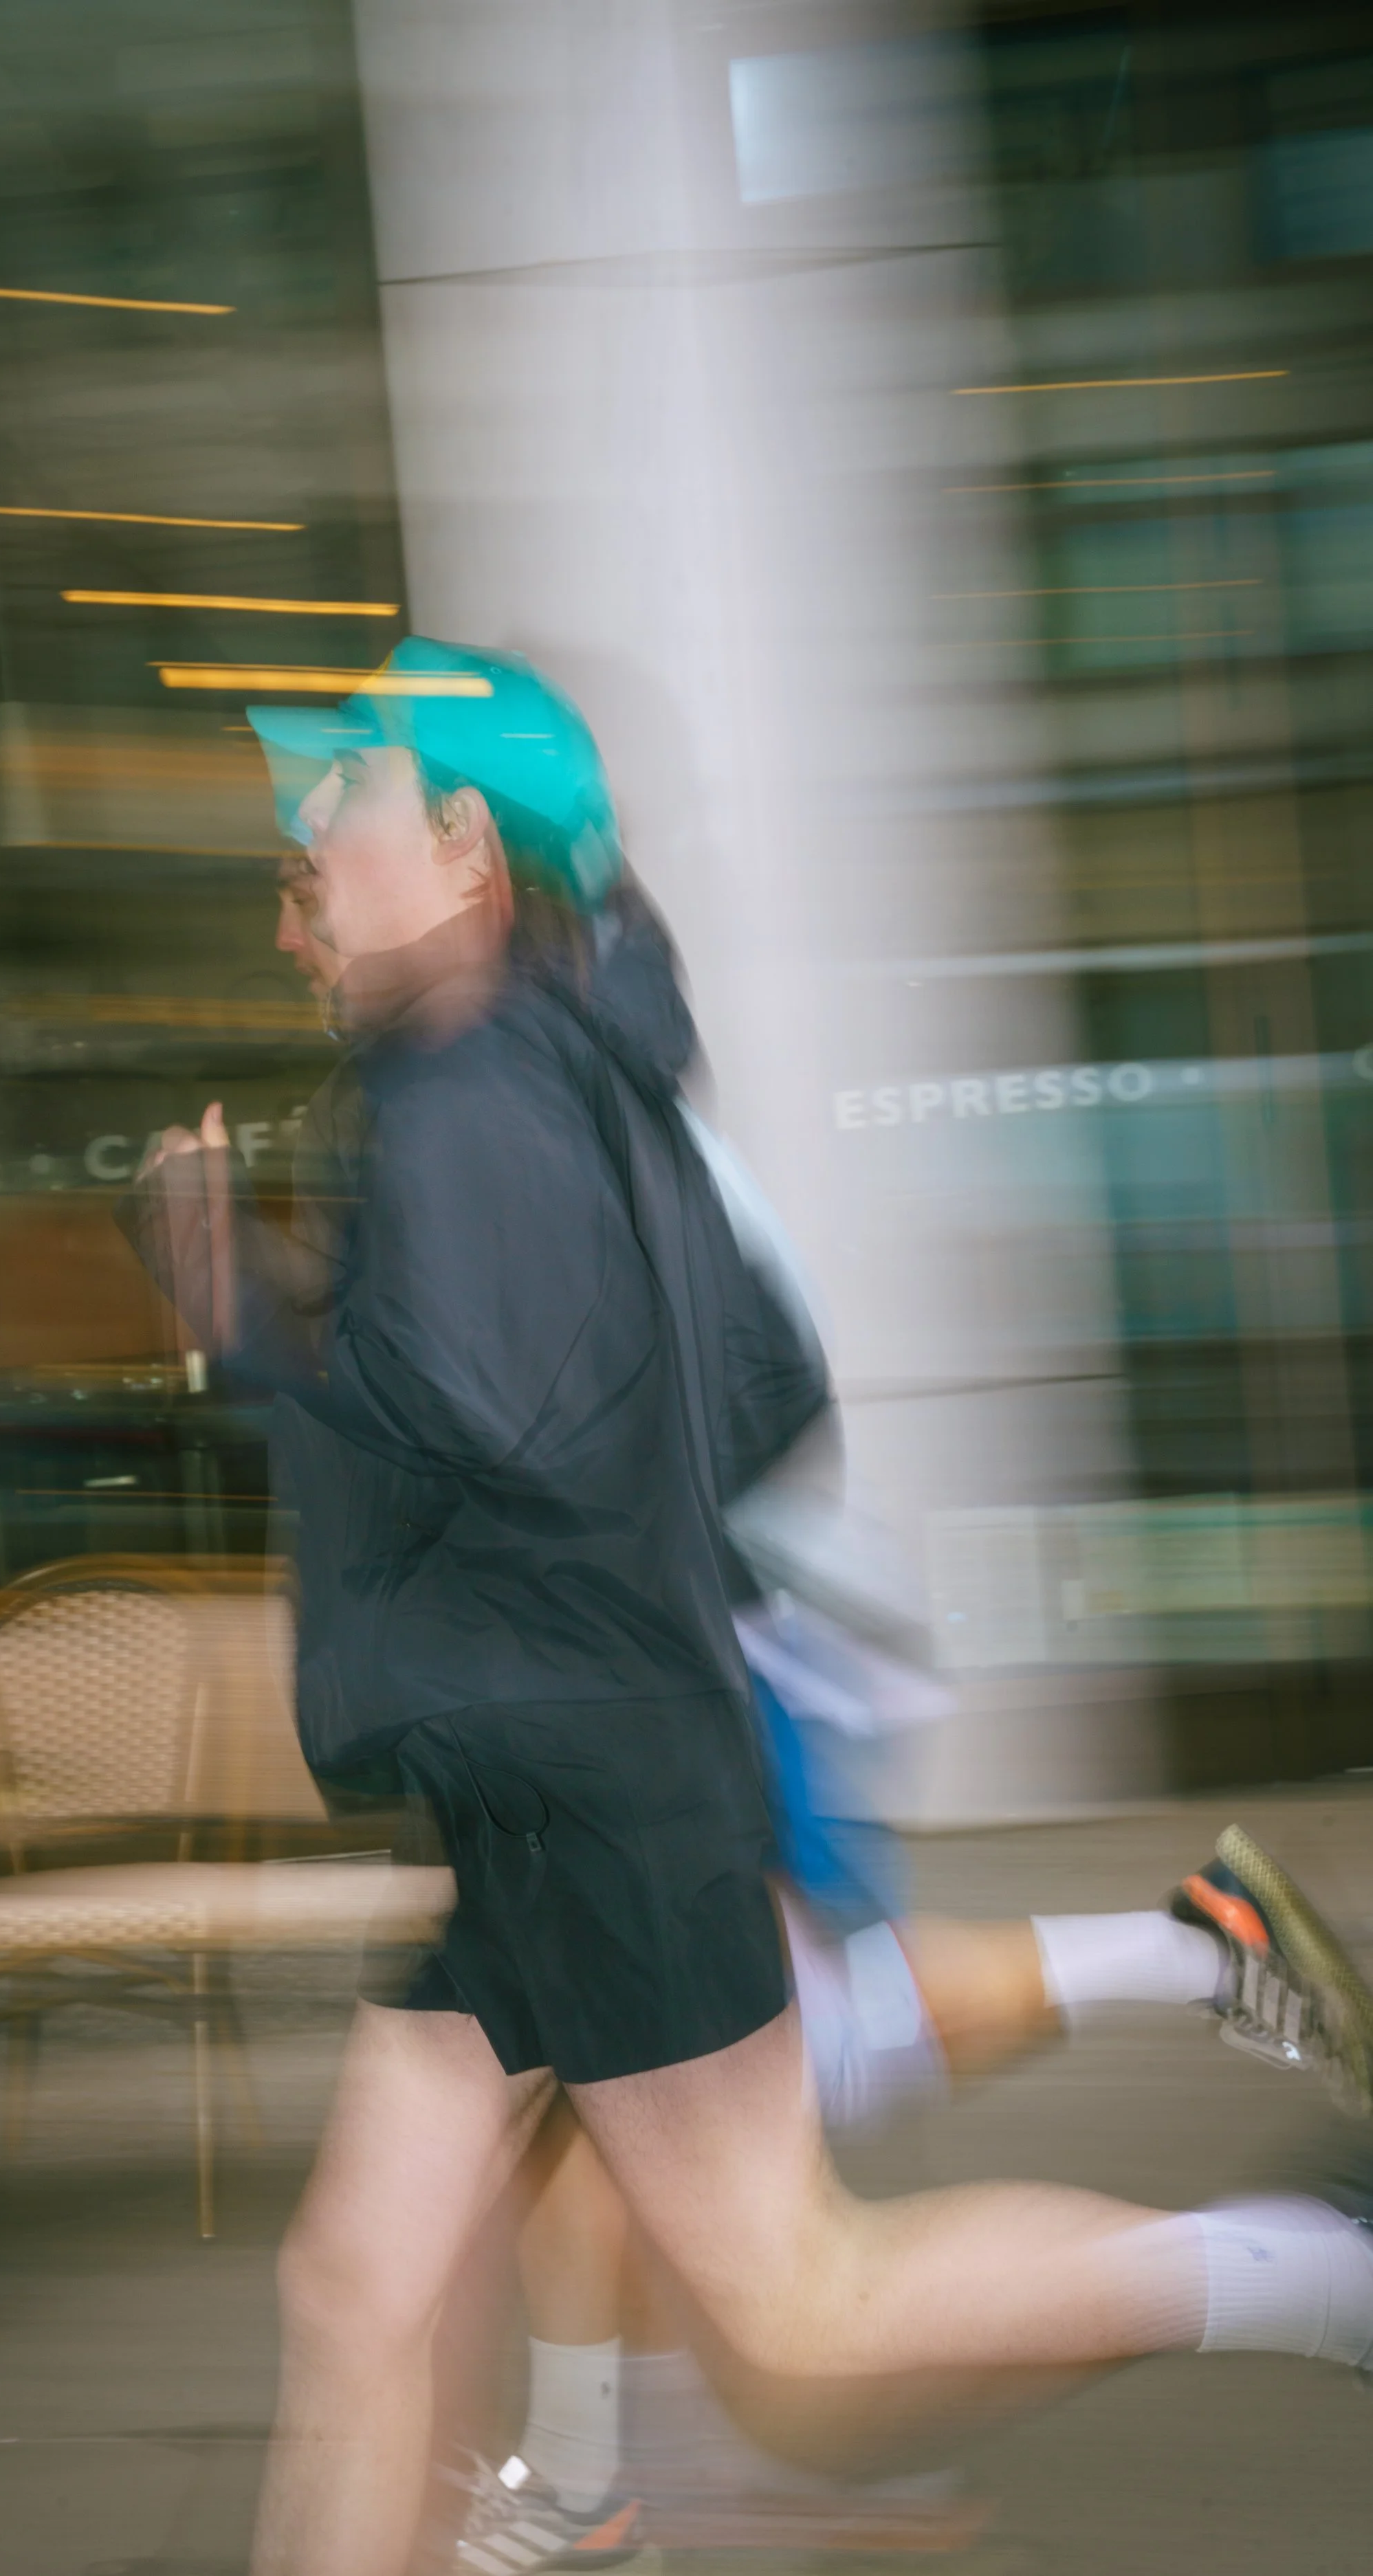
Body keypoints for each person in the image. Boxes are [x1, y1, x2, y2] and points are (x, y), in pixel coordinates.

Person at [123, 636, 1373, 2576]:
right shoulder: (533, 1074)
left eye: (342, 805)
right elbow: (735, 1380)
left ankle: (1313, 2272)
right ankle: (574, 2474)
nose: (303, 861)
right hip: (541, 1777)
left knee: (802, 2317)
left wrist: (246, 1318)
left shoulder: (476, 1087)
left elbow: (499, 1406)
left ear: (466, 851)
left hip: (588, 1787)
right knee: (358, 2288)